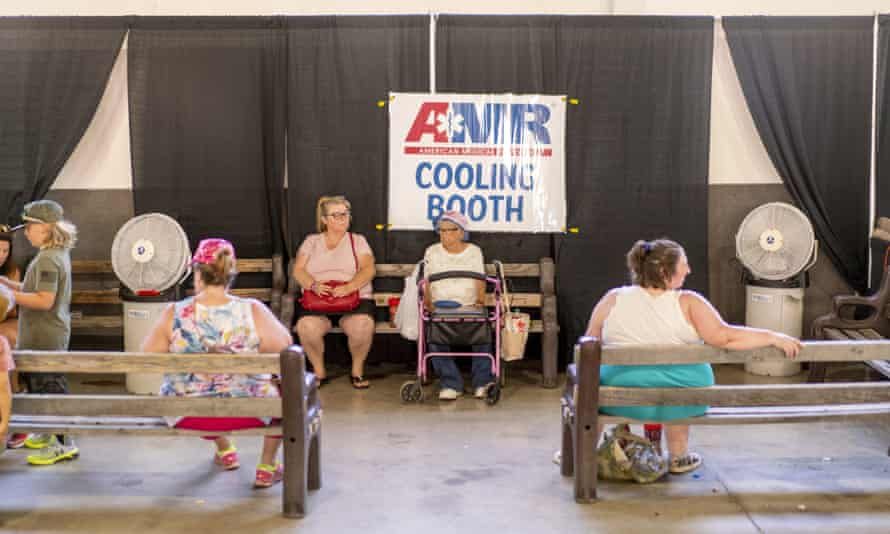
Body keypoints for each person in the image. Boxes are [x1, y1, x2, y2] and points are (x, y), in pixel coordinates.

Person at [585, 238, 801, 474]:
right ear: (664, 271)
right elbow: (726, 337)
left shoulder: (612, 299)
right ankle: (679, 456)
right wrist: (772, 336)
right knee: (679, 380)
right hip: (684, 398)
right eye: (684, 265)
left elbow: (589, 346)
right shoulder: (689, 302)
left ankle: (582, 453)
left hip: (621, 402)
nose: (689, 270)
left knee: (592, 383)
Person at [141, 238, 293, 488]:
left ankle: (225, 448)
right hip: (250, 413)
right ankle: (266, 465)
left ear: (197, 274)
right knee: (281, 395)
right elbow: (285, 346)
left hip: (187, 414)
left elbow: (148, 355)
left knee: (201, 386)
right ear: (230, 273)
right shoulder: (251, 309)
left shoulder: (175, 312)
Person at [0, 200, 79, 465]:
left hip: (46, 336)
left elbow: (44, 300)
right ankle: (47, 433)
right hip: (38, 335)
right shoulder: (53, 254)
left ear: (45, 228)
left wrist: (9, 296)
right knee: (39, 388)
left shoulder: (48, 259)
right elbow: (31, 287)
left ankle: (63, 443)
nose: (26, 232)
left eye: (30, 226)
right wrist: (6, 282)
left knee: (51, 390)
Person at [291, 195, 376, 389]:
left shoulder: (358, 240)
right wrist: (313, 285)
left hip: (353, 296)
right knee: (306, 327)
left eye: (345, 214)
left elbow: (368, 269)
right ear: (324, 220)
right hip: (317, 297)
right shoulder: (311, 241)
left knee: (362, 326)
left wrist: (349, 287)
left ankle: (357, 371)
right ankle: (319, 371)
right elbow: (298, 270)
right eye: (336, 215)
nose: (342, 219)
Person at [423, 211, 495, 401]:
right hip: (441, 305)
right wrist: (428, 302)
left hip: (469, 304)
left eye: (451, 230)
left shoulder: (473, 251)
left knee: (482, 329)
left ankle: (482, 382)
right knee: (434, 331)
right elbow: (427, 281)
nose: (445, 234)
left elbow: (480, 278)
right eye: (442, 230)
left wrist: (480, 301)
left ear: (462, 232)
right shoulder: (432, 250)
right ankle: (450, 383)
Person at [0, 227, 25, 450]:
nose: (1, 255)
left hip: (6, 318)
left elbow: (13, 310)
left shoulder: (12, 272)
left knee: (5, 340)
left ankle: (14, 390)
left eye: (5, 251)